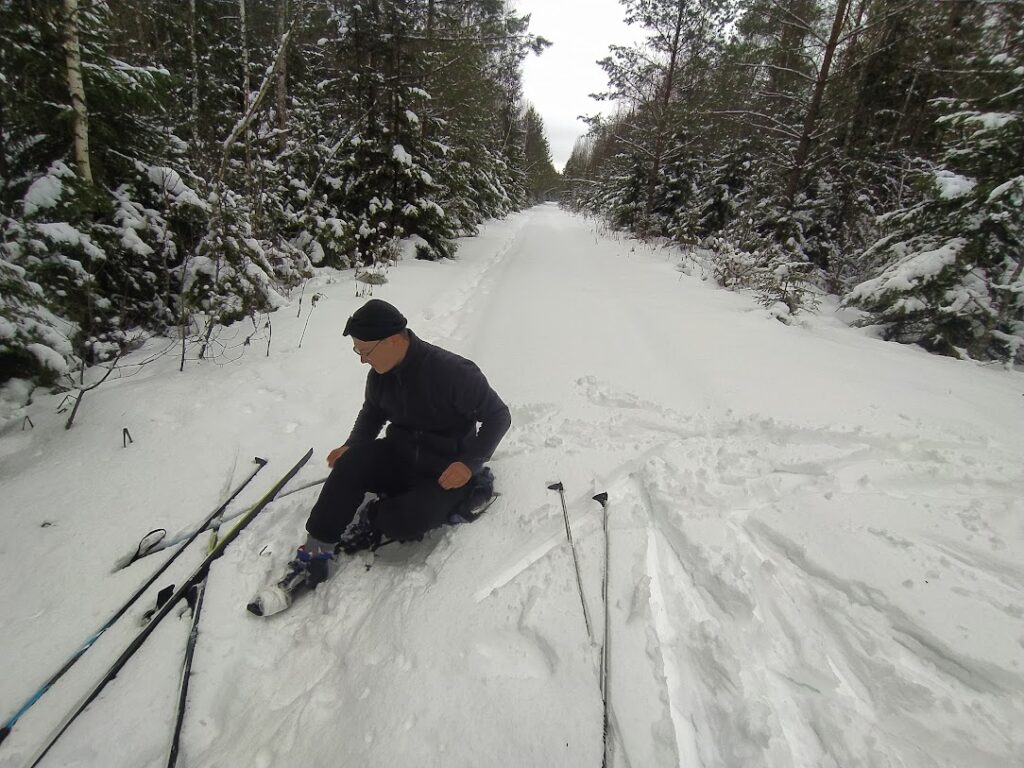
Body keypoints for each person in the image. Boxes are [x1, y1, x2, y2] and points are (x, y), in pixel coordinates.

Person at [293, 299, 510, 588]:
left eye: (365, 351)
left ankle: (459, 494)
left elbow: (498, 416)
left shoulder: (453, 372)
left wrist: (469, 464)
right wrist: (353, 444)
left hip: (443, 469)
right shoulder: (380, 376)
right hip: (401, 454)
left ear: (394, 341)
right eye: (357, 350)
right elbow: (372, 413)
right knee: (350, 463)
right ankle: (317, 549)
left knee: (404, 521)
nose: (362, 359)